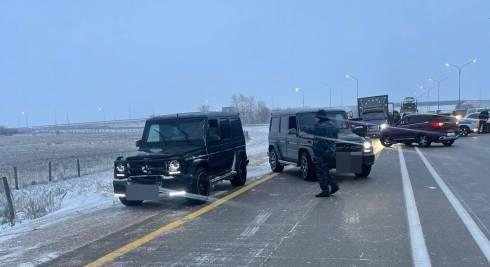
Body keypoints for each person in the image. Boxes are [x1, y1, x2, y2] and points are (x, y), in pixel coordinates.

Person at [311, 110, 339, 198]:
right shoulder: (333, 125)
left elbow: (311, 130)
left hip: (321, 152)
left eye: (316, 117)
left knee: (320, 172)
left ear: (319, 117)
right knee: (325, 170)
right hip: (330, 151)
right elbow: (335, 136)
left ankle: (325, 190)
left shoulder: (320, 126)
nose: (315, 119)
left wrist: (300, 129)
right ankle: (333, 186)